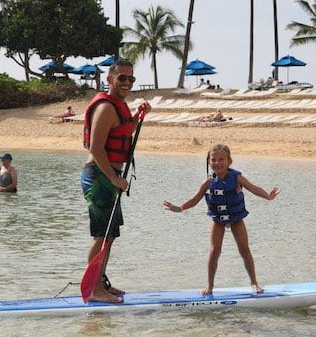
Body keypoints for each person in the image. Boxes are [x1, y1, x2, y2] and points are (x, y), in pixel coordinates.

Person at [163, 144, 280, 295]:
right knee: (214, 251)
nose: (217, 163)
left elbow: (254, 188)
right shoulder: (209, 182)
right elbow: (194, 200)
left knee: (244, 249)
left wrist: (268, 196)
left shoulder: (237, 178)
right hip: (218, 219)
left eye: (221, 159)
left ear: (229, 161)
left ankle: (254, 283)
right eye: (213, 160)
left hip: (236, 218)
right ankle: (210, 286)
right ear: (209, 162)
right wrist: (179, 208)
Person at [81, 59, 151, 303]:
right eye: (122, 78)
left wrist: (138, 116)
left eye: (131, 79)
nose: (127, 83)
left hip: (109, 177)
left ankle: (100, 284)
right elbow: (96, 147)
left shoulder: (118, 107)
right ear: (109, 80)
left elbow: (123, 131)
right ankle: (93, 289)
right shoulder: (105, 108)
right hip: (100, 176)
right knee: (101, 236)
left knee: (108, 236)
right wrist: (113, 178)